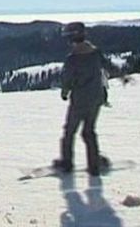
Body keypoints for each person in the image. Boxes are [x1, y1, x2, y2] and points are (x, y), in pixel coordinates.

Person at [56, 22, 111, 176]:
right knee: (89, 132)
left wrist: (64, 92)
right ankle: (94, 166)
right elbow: (108, 66)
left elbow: (67, 79)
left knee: (69, 132)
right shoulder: (95, 53)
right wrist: (124, 76)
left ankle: (67, 164)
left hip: (80, 100)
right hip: (97, 98)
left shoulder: (72, 59)